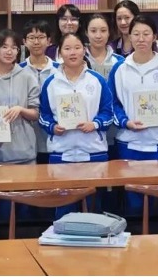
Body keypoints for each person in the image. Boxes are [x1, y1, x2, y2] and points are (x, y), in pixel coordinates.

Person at [108, 15, 158, 214]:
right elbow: (112, 104)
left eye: (146, 34)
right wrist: (125, 122)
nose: (141, 39)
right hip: (129, 144)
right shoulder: (119, 68)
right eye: (136, 34)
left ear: (154, 37)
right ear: (129, 37)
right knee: (133, 203)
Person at [39, 32, 113, 217]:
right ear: (59, 52)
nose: (73, 52)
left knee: (94, 211)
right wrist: (52, 127)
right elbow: (43, 115)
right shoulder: (50, 83)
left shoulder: (97, 80)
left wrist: (95, 124)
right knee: (64, 211)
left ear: (84, 50)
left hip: (93, 153)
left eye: (77, 48)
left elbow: (108, 113)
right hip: (61, 154)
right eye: (67, 48)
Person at [0, 29, 40, 165]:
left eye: (14, 48)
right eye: (4, 47)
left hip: (25, 152)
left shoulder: (27, 76)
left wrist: (21, 110)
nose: (9, 52)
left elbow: (36, 114)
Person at [19, 19, 59, 164]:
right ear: (24, 41)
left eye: (41, 37)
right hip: (26, 139)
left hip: (55, 136)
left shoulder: (60, 70)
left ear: (49, 41)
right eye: (31, 38)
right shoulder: (18, 70)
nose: (36, 42)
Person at [85, 14, 124, 157]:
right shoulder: (76, 59)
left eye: (103, 30)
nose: (98, 35)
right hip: (85, 132)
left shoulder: (120, 62)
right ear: (86, 33)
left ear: (109, 33)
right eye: (93, 31)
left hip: (114, 131)